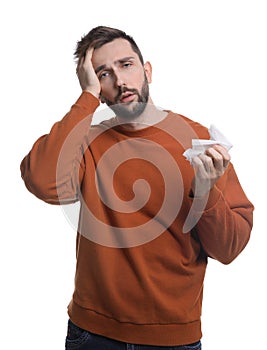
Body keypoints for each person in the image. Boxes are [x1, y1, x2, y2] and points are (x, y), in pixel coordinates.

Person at [20, 26, 254, 350]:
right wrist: (86, 98)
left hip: (173, 339)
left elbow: (229, 249)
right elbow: (41, 180)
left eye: (126, 65)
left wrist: (206, 191)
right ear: (96, 87)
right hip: (92, 334)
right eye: (103, 74)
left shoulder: (198, 142)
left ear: (147, 71)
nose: (119, 81)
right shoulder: (86, 141)